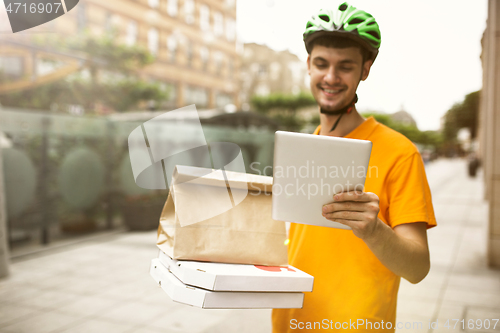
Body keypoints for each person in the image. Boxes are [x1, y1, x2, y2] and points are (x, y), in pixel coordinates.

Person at [272, 3, 437, 332]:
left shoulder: (400, 153)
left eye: (345, 66)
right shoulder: (300, 148)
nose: (330, 77)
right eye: (321, 64)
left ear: (365, 69)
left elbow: (418, 268)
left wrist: (374, 231)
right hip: (290, 322)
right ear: (308, 65)